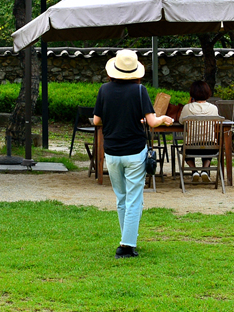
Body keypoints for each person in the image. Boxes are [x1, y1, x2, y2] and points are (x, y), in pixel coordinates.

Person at [92, 49, 174, 259]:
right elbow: (152, 122)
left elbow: (96, 120)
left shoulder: (104, 90)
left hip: (112, 151)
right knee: (134, 198)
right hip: (135, 151)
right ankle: (127, 245)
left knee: (121, 198)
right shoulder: (140, 91)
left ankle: (127, 238)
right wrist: (164, 119)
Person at [178, 80, 219, 181]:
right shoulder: (213, 108)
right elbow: (217, 123)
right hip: (210, 147)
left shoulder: (187, 108)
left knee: (184, 148)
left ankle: (194, 171)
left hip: (191, 147)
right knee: (209, 144)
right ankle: (205, 169)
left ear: (192, 93)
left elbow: (180, 121)